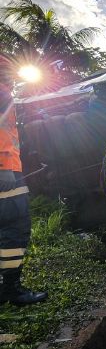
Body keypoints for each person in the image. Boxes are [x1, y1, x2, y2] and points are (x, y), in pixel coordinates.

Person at [0, 82, 47, 305]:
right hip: (6, 171)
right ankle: (11, 290)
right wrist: (3, 164)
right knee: (15, 227)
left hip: (8, 168)